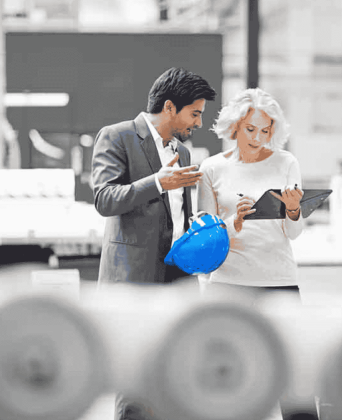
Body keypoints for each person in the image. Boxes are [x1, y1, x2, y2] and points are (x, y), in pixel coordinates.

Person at [197, 88, 318, 420]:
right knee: (224, 373)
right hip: (228, 283)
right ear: (235, 126)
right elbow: (205, 234)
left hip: (277, 279)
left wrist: (294, 211)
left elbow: (292, 233)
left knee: (296, 373)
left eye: (266, 131)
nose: (258, 137)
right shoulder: (211, 169)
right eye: (251, 129)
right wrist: (233, 221)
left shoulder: (285, 162)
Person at [91, 67, 216, 286]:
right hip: (133, 280)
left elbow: (175, 216)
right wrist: (158, 182)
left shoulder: (183, 152)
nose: (199, 124)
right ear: (169, 107)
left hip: (179, 278)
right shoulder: (117, 136)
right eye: (194, 114)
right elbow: (105, 199)